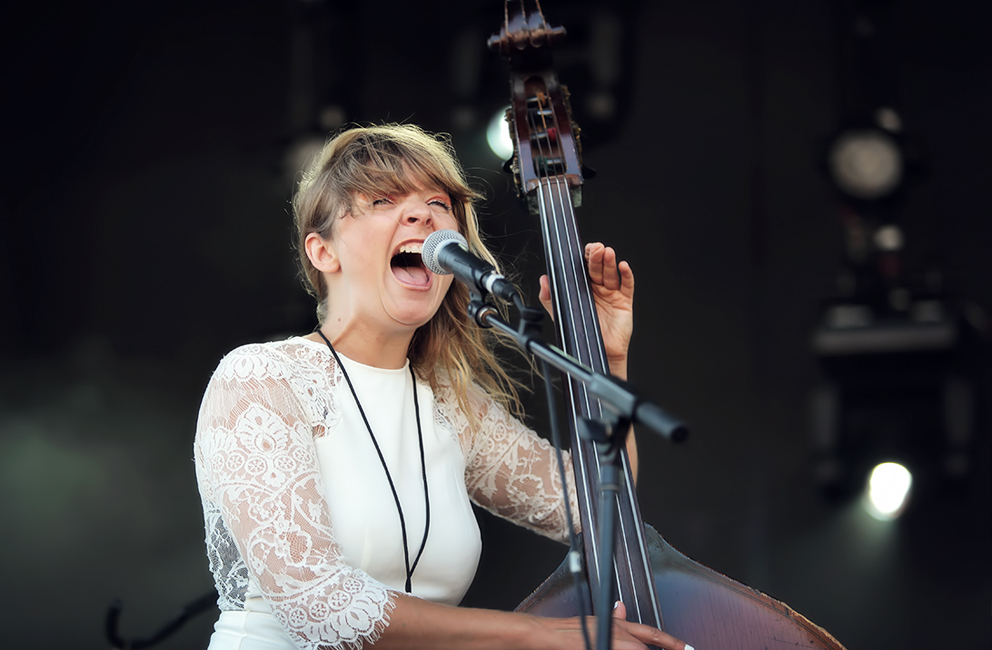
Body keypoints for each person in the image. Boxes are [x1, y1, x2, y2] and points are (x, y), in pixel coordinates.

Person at [194, 124, 690, 650]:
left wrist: (607, 358)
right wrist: (540, 635)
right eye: (383, 199)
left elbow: (598, 507)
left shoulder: (450, 404)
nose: (423, 214)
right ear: (323, 253)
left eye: (438, 201)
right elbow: (320, 604)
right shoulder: (262, 379)